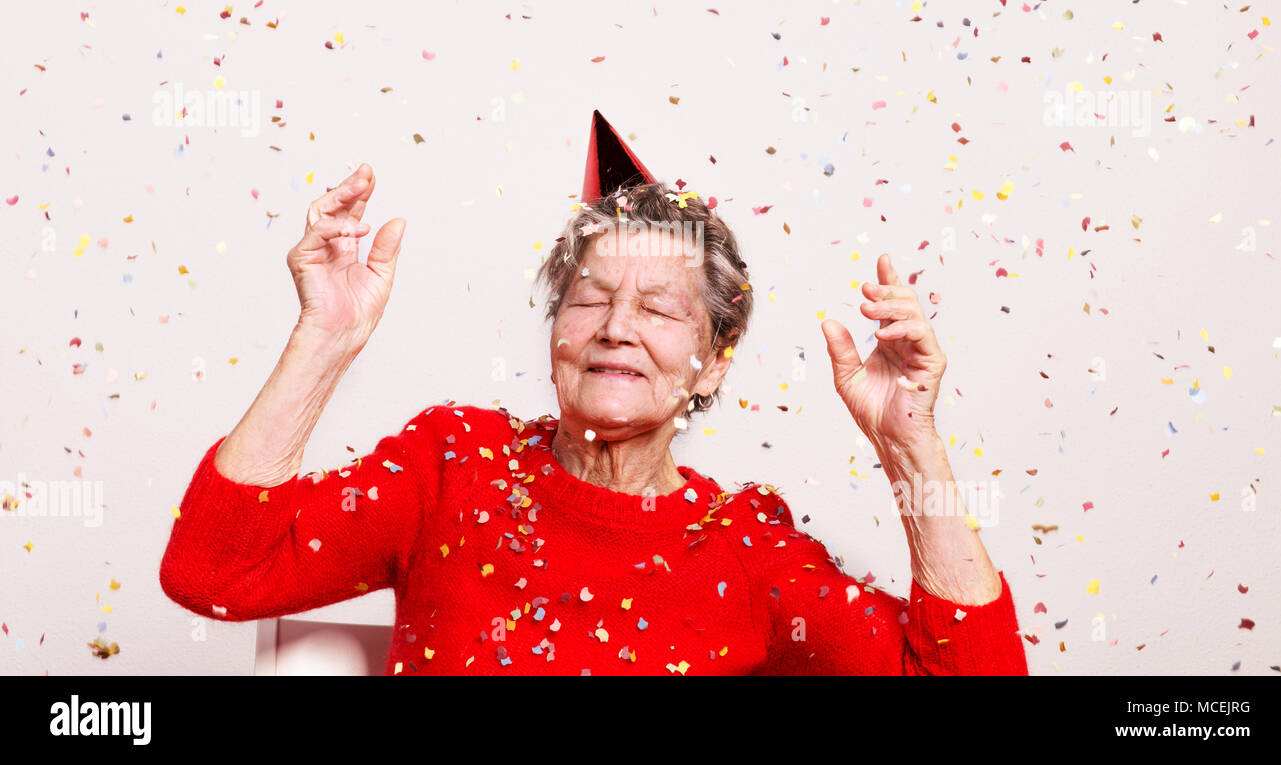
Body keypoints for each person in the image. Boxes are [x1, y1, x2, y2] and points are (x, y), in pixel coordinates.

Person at [159, 111, 1029, 675]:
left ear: (715, 359)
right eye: (589, 298)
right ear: (556, 330)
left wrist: (911, 441)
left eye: (658, 308)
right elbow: (213, 572)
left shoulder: (742, 547)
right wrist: (326, 338)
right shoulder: (454, 464)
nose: (617, 326)